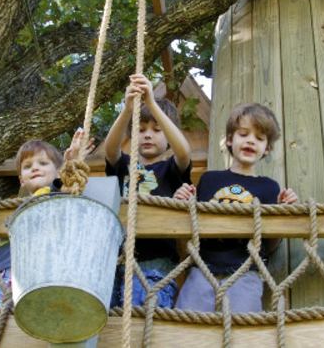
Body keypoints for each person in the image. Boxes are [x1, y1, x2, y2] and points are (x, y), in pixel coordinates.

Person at [172, 102, 298, 312]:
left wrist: (284, 211)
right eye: (243, 134)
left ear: (267, 148)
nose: (251, 140)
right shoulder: (210, 180)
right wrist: (183, 199)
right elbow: (191, 226)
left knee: (242, 334)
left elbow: (271, 243)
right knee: (186, 329)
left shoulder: (269, 188)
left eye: (259, 138)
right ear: (230, 139)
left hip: (246, 273)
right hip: (203, 270)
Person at [0, 130, 92, 307]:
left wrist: (72, 158)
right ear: (22, 180)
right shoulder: (10, 207)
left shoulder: (57, 194)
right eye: (28, 166)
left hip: (41, 274)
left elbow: (70, 183)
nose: (35, 168)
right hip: (4, 271)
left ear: (58, 172)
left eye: (43, 163)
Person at [104, 73, 192, 308]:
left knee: (143, 318)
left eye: (156, 129)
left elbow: (183, 152)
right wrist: (127, 110)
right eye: (141, 129)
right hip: (117, 261)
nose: (148, 134)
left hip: (157, 262)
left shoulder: (170, 169)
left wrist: (152, 103)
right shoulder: (124, 166)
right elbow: (110, 150)